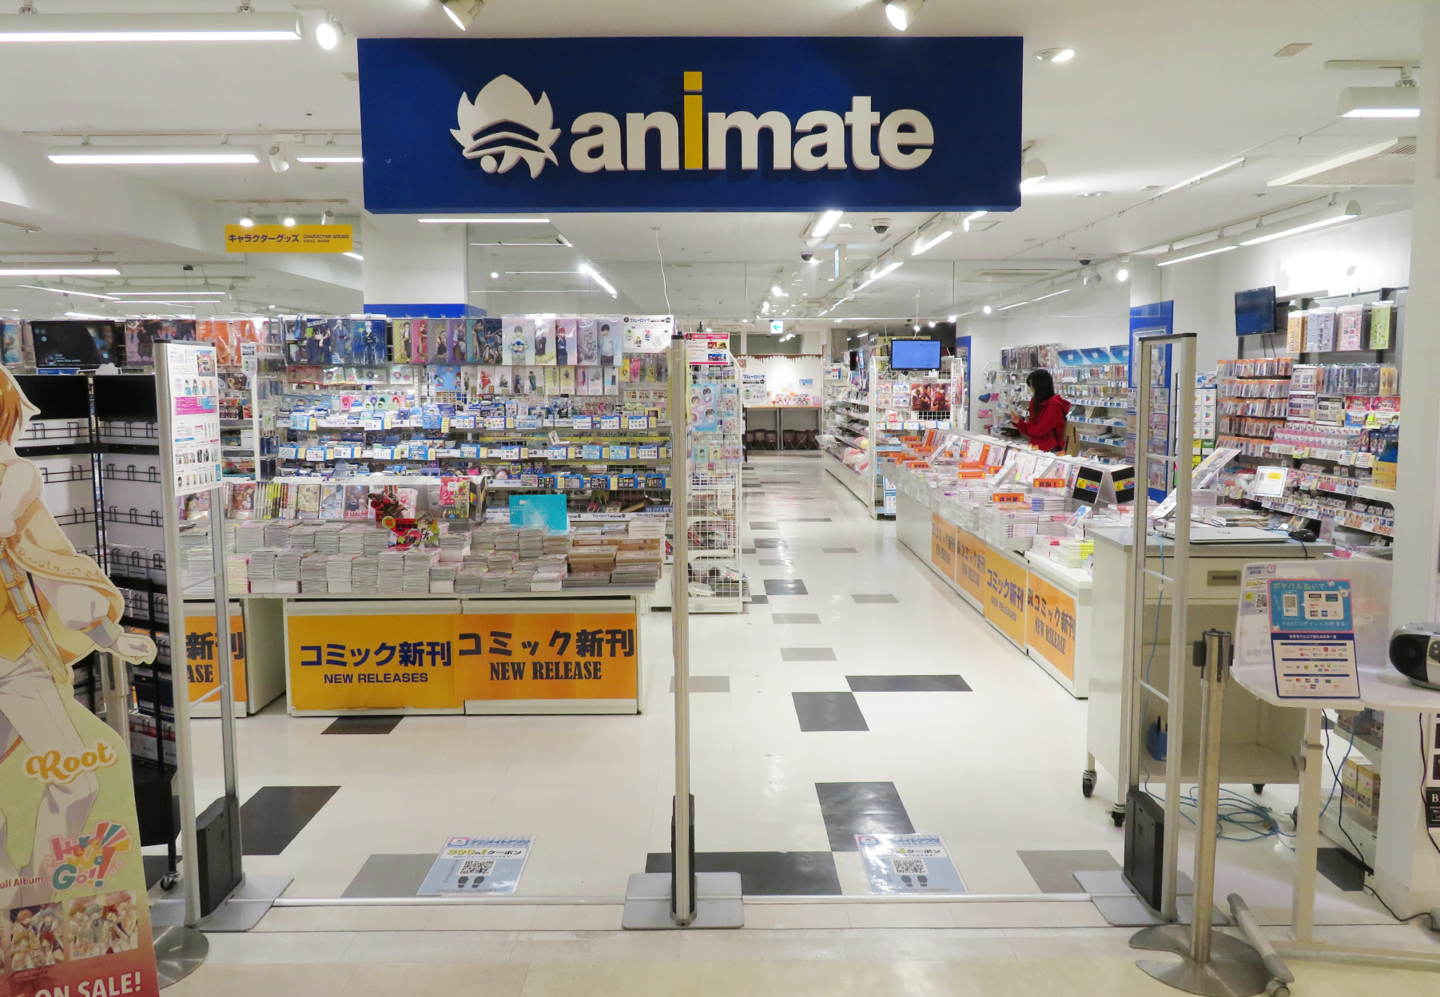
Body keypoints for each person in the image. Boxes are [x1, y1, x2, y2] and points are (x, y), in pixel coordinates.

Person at [0, 368, 157, 913]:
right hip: (16, 659)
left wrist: (108, 634)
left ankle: (37, 900)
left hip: (18, 660)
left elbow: (49, 566)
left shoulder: (16, 482)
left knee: (79, 780)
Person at [1010, 369, 1071, 452]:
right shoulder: (1035, 402)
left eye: (1032, 386)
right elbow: (1032, 432)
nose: (1031, 389)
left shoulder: (1054, 405)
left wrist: (1027, 426)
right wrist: (1019, 423)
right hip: (1035, 447)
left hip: (1050, 449)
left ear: (1040, 386)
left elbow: (1039, 431)